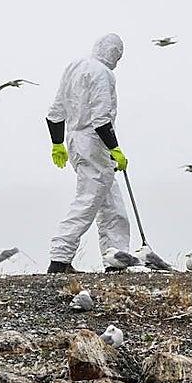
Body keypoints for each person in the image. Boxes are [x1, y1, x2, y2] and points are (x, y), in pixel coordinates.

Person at [44, 33, 131, 274]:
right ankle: (59, 259)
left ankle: (117, 259)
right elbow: (101, 119)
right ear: (113, 52)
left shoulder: (74, 67)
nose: (117, 60)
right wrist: (114, 148)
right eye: (118, 55)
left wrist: (57, 143)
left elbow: (55, 112)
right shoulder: (103, 74)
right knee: (88, 200)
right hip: (93, 143)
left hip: (75, 140)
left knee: (112, 205)